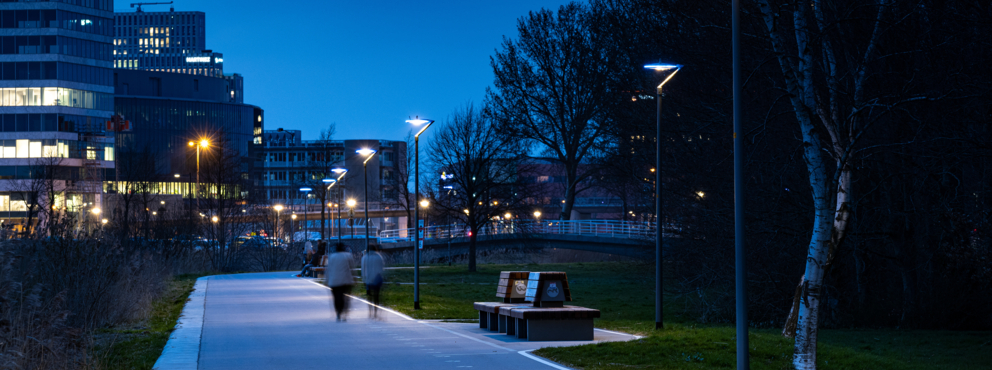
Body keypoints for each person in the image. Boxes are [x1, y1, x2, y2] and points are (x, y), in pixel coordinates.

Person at [326, 242, 355, 321]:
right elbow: (352, 268)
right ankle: (345, 312)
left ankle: (338, 312)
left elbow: (328, 270)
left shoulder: (331, 257)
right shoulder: (348, 256)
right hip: (346, 280)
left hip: (334, 281)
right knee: (345, 297)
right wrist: (354, 278)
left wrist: (327, 280)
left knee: (336, 297)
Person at [361, 244, 385, 318]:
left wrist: (363, 279)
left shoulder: (365, 257)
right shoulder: (379, 257)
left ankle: (370, 311)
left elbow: (363, 269)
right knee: (376, 295)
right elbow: (381, 268)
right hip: (377, 279)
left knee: (369, 295)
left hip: (368, 279)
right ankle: (375, 311)